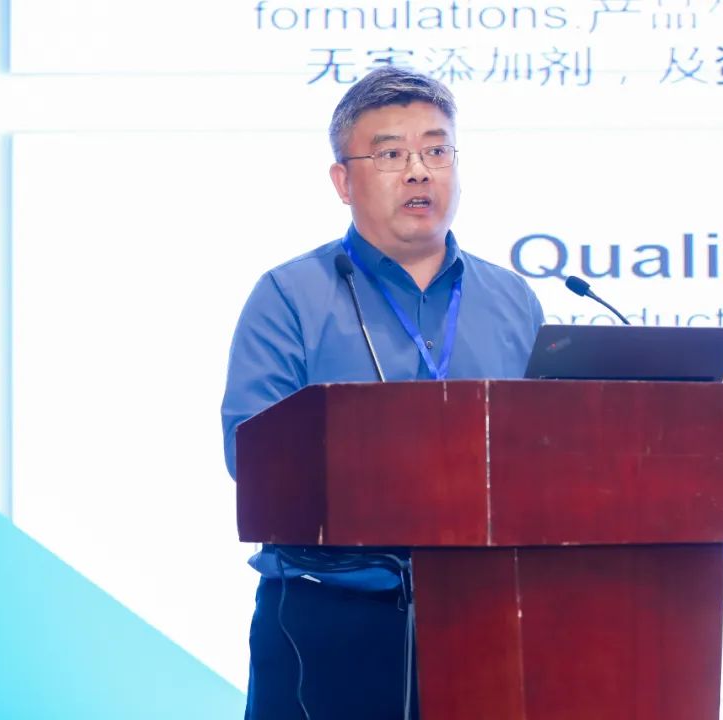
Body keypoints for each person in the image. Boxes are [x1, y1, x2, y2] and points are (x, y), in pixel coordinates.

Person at [221, 66, 545, 719]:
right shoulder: (290, 296)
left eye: (436, 150)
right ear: (343, 181)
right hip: (330, 618)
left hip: (489, 616)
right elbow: (251, 455)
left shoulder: (512, 299)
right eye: (392, 155)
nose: (419, 172)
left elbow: (549, 454)